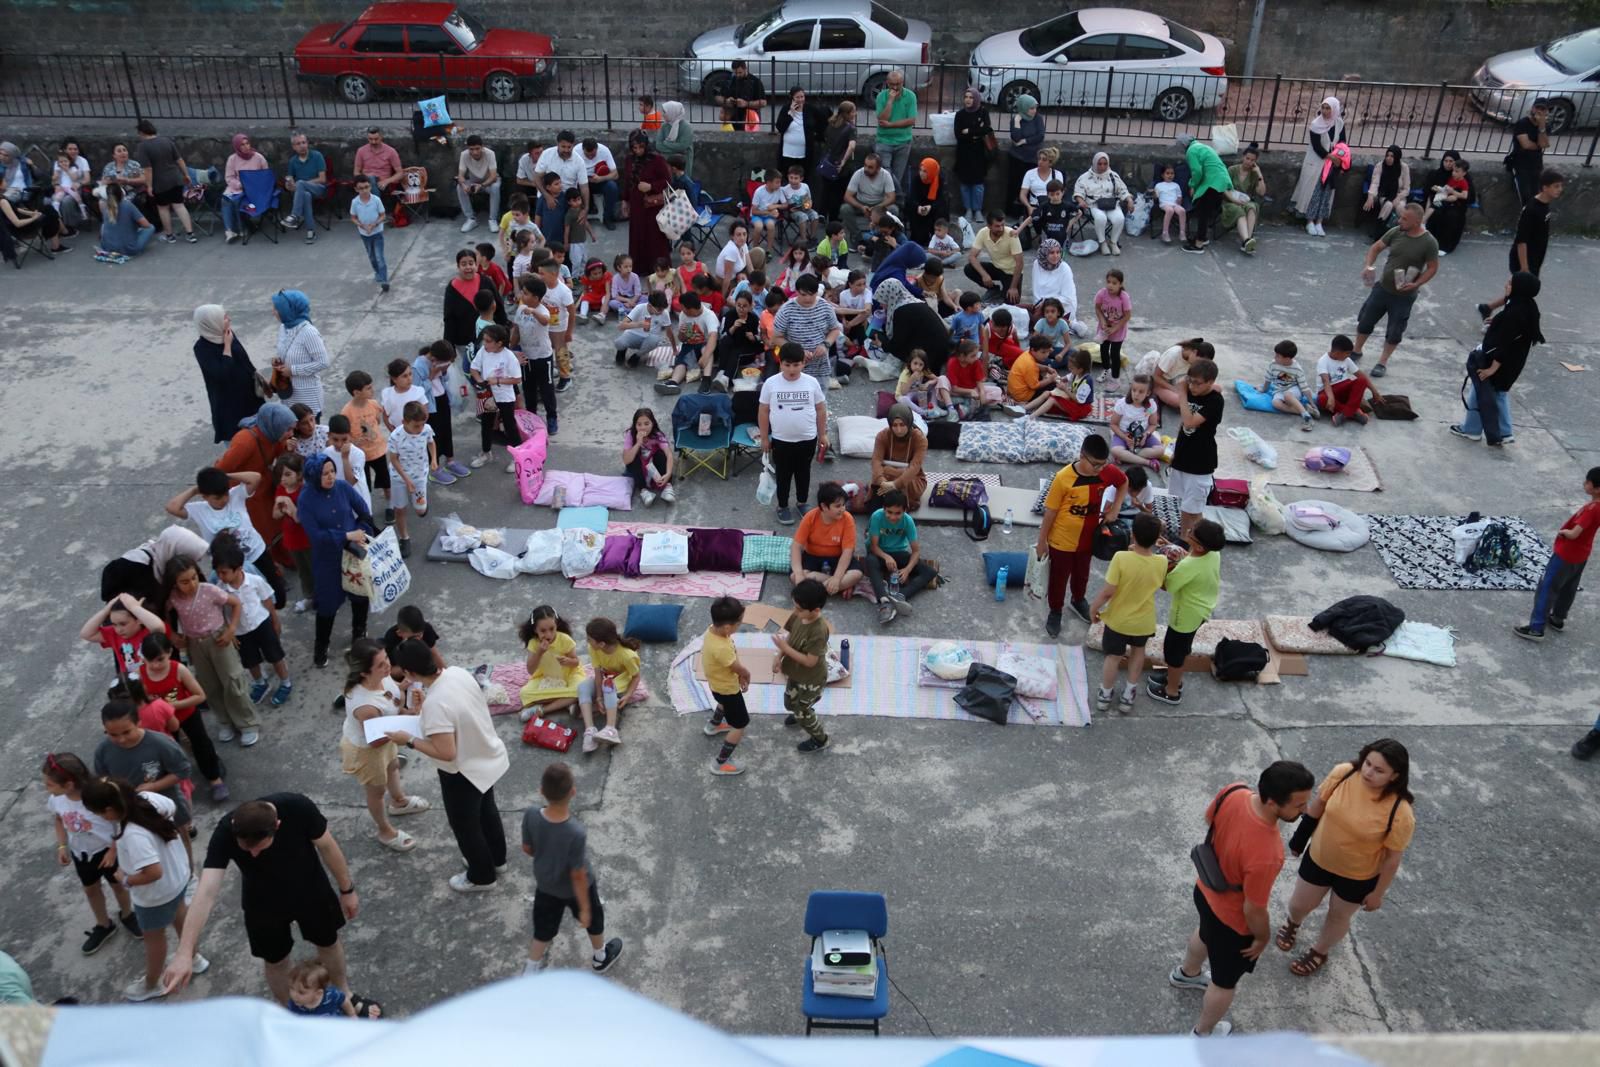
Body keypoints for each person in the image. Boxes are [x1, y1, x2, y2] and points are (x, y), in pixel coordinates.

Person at [161, 794, 366, 1011]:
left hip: (311, 890)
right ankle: (289, 1010)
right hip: (262, 902)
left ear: (277, 825)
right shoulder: (225, 832)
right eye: (246, 850)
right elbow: (206, 892)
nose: (254, 854)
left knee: (328, 942)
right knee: (275, 960)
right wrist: (184, 952)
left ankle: (344, 993)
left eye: (259, 847)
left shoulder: (298, 807)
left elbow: (327, 847)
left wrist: (347, 890)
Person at [1168, 762, 1315, 1037]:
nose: (1305, 810)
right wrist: (1261, 938)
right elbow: (1254, 908)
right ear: (1273, 802)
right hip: (1232, 919)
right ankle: (1203, 1034)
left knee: (1204, 932)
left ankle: (1186, 974)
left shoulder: (1234, 791)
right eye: (1298, 805)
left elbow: (1208, 818)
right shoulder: (1268, 853)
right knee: (1224, 983)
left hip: (1205, 891)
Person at [1276, 741, 1416, 978]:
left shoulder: (1400, 813)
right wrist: (1299, 840)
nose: (1368, 772)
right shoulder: (1343, 773)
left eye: (1379, 770)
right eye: (1368, 763)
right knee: (1299, 904)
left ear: (1395, 776)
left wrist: (1377, 894)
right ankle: (1293, 923)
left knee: (1338, 916)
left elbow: (1392, 859)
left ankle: (1320, 951)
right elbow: (1319, 804)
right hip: (1319, 858)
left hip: (1358, 876)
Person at [387, 639, 511, 891]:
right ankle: (497, 860)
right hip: (486, 755)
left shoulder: (436, 703)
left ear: (410, 673)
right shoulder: (456, 674)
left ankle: (481, 876)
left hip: (462, 772)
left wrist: (408, 740)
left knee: (465, 825)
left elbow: (445, 751)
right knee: (487, 812)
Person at [81, 777, 200, 1002]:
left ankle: (151, 984)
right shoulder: (147, 799)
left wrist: (126, 880)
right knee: (180, 914)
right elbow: (172, 807)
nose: (100, 818)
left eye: (99, 814)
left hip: (155, 895)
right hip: (179, 876)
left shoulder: (133, 835)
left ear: (109, 809)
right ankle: (193, 957)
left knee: (154, 939)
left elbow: (153, 872)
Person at [522, 762, 625, 973]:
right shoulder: (575, 832)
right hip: (576, 891)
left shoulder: (531, 814)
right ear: (573, 792)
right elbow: (577, 874)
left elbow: (527, 848)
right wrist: (585, 909)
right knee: (594, 920)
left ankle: (530, 969)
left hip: (546, 885)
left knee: (543, 928)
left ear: (541, 791)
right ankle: (600, 956)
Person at [160, 551, 263, 744]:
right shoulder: (173, 598)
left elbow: (235, 603)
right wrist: (173, 636)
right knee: (210, 684)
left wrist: (231, 629)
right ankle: (224, 721)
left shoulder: (209, 590)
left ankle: (247, 723)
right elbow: (165, 615)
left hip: (218, 638)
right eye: (184, 581)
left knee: (233, 681)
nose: (191, 584)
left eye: (193, 578)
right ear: (174, 583)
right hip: (194, 644)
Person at [44, 752, 142, 954]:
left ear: (69, 784)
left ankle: (127, 914)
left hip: (107, 851)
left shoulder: (96, 798)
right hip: (82, 854)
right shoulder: (57, 800)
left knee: (118, 885)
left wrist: (114, 850)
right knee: (90, 889)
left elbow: (119, 823)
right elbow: (58, 820)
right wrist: (62, 845)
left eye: (50, 784)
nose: (47, 788)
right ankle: (104, 924)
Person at [339, 639, 428, 853]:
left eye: (386, 657)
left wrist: (405, 688)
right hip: (368, 750)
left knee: (394, 766)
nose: (388, 665)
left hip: (387, 738)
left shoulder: (381, 677)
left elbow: (390, 694)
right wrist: (406, 731)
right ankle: (385, 831)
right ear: (364, 673)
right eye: (380, 664)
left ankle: (399, 801)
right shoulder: (365, 706)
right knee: (376, 791)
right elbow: (375, 738)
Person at [1035, 436, 1129, 637]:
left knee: (1082, 574)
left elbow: (1123, 482)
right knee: (1058, 579)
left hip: (1088, 539)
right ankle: (1055, 610)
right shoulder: (1062, 478)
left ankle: (1078, 600)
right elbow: (1050, 512)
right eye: (1095, 464)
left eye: (1103, 464)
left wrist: (1116, 508)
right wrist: (1042, 541)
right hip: (1062, 541)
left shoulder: (1105, 471)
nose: (1099, 469)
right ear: (1081, 456)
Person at [165, 464, 285, 606]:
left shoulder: (236, 495)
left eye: (225, 494)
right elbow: (172, 507)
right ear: (205, 496)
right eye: (217, 497)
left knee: (277, 595)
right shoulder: (198, 510)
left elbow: (255, 477)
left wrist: (224, 476)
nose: (224, 499)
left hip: (256, 554)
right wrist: (193, 490)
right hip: (230, 565)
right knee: (249, 601)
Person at [297, 453, 372, 669]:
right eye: (324, 473)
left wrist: (362, 533)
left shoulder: (342, 487)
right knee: (328, 603)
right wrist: (346, 536)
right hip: (327, 559)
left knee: (360, 594)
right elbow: (315, 535)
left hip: (353, 554)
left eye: (332, 471)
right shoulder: (306, 500)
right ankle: (321, 647)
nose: (330, 477)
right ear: (313, 476)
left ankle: (359, 635)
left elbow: (363, 510)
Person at [1455, 273, 1544, 449]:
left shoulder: (1514, 313)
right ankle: (1503, 432)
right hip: (1515, 362)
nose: (1506, 285)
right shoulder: (1526, 306)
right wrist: (1496, 321)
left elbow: (1504, 344)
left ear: (1518, 288)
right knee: (1498, 393)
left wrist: (1492, 368)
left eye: (1510, 283)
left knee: (1481, 390)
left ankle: (1472, 430)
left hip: (1500, 362)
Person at [1089, 512, 1165, 714]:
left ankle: (1105, 696)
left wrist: (1094, 608)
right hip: (1144, 621)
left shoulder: (1121, 558)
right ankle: (1128, 696)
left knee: (1113, 657)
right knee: (1138, 654)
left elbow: (1108, 592)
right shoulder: (1162, 562)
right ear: (1156, 539)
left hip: (1118, 621)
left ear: (1132, 535)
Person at [1515, 465, 1600, 641]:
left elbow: (1575, 533)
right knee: (1569, 587)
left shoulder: (1592, 509)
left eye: (1588, 482)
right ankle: (1558, 618)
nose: (1584, 484)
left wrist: (1564, 533)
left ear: (1597, 488)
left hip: (1566, 554)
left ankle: (1536, 627)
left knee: (1548, 586)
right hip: (1581, 555)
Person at [137, 633, 226, 799]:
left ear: (169, 652)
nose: (155, 665)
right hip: (162, 722)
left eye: (160, 659)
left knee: (201, 744)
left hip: (186, 714)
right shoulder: (140, 673)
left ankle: (215, 779)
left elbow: (200, 696)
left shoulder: (178, 669)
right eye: (150, 661)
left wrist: (171, 706)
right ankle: (178, 784)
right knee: (169, 751)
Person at [1146, 520, 1226, 705]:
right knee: (1182, 648)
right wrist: (1169, 547)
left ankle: (1172, 690)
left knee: (1173, 653)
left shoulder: (1188, 566)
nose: (1188, 531)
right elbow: (1191, 558)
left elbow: (1169, 585)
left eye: (1191, 532)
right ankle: (1174, 677)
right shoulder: (1214, 554)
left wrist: (1159, 564)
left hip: (1184, 615)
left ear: (1198, 546)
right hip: (1201, 609)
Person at [1355, 203, 1440, 377]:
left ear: (1417, 222)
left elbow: (1432, 268)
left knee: (1395, 330)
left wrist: (1417, 284)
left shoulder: (1429, 242)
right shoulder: (1396, 232)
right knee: (1365, 320)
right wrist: (1369, 265)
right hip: (1382, 288)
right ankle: (1356, 350)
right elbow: (1376, 247)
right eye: (1400, 217)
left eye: (1404, 218)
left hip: (1404, 296)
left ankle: (1382, 362)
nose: (1399, 220)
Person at [212, 538, 291, 707]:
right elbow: (222, 613)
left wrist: (275, 620)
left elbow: (267, 599)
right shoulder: (220, 590)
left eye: (224, 572)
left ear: (238, 569)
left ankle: (285, 682)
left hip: (262, 624)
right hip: (240, 632)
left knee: (275, 656)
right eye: (218, 572)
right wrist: (229, 631)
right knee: (250, 661)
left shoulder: (255, 581)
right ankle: (260, 682)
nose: (220, 576)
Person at [1481, 169, 1563, 325]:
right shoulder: (1532, 209)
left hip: (1534, 259)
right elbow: (1521, 241)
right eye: (1556, 186)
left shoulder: (1544, 205)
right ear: (1545, 188)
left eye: (1560, 186)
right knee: (1520, 297)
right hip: (1524, 261)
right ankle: (1493, 322)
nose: (1560, 189)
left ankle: (1488, 308)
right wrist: (1524, 268)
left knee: (1519, 295)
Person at [759, 342, 829, 525]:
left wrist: (823, 435)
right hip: (782, 440)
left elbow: (821, 409)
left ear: (803, 363)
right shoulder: (771, 383)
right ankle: (782, 506)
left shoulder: (811, 383)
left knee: (803, 472)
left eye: (796, 364)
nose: (792, 369)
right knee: (783, 474)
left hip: (807, 439)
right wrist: (765, 437)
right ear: (780, 363)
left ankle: (802, 502)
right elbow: (763, 411)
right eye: (787, 364)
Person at [774, 578, 832, 753]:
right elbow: (791, 636)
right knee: (789, 703)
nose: (795, 611)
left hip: (811, 679)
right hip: (795, 673)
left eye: (799, 609)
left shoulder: (819, 631)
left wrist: (784, 648)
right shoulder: (798, 615)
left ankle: (820, 739)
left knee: (803, 711)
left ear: (815, 610)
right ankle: (801, 710)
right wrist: (779, 656)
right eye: (794, 606)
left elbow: (810, 661)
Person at [862, 489, 937, 625]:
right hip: (879, 552)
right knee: (870, 560)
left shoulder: (908, 521)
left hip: (898, 552)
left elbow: (915, 551)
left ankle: (899, 596)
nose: (893, 516)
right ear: (884, 509)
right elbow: (873, 546)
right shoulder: (877, 516)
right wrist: (886, 557)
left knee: (930, 571)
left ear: (905, 511)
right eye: (889, 512)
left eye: (898, 513)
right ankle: (884, 601)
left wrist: (907, 569)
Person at [1168, 357, 1223, 540]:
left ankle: (1203, 541)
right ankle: (1184, 538)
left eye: (1197, 384)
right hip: (1183, 456)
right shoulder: (1190, 388)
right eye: (1190, 381)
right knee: (1185, 505)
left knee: (1195, 510)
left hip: (1200, 463)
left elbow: (1190, 422)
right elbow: (1183, 427)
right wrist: (1175, 449)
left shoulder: (1215, 401)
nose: (1192, 387)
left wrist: (1182, 394)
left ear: (1210, 382)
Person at [192, 303, 262, 444]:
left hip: (250, 399)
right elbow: (222, 374)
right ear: (212, 322)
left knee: (261, 439)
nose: (229, 319)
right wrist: (227, 346)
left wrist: (259, 380)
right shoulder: (202, 348)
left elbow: (244, 360)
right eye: (224, 317)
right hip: (229, 407)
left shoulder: (228, 333)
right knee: (240, 446)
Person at [790, 482, 863, 597]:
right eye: (837, 506)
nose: (842, 509)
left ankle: (815, 590)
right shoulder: (810, 517)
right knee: (795, 577)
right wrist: (799, 574)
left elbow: (848, 552)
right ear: (824, 506)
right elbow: (796, 546)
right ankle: (837, 587)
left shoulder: (847, 519)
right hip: (812, 557)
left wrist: (837, 577)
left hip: (837, 558)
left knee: (856, 574)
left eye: (844, 505)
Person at [131, 121, 196, 243]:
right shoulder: (166, 141)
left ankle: (169, 235)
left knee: (163, 208)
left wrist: (149, 186)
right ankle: (190, 233)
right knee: (179, 205)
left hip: (159, 182)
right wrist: (186, 174)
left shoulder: (143, 147)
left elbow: (148, 169)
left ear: (141, 132)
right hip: (175, 178)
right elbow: (179, 159)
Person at [270, 289, 331, 416]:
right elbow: (286, 351)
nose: (273, 312)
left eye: (277, 308)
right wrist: (278, 360)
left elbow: (323, 362)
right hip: (288, 395)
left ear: (288, 310)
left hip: (307, 398)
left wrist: (293, 370)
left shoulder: (309, 332)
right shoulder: (284, 327)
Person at [624, 130, 673, 273]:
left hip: (653, 205)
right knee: (638, 234)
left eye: (640, 147)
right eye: (634, 148)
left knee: (655, 237)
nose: (638, 151)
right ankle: (640, 268)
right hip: (636, 204)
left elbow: (667, 181)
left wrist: (651, 186)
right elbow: (627, 181)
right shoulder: (629, 160)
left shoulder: (656, 160)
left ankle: (659, 268)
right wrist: (625, 201)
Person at [877, 276, 951, 371]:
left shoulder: (901, 312)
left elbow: (897, 344)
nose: (881, 304)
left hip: (932, 356)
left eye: (882, 300)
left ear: (889, 296)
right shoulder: (911, 301)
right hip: (943, 349)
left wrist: (881, 344)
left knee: (896, 349)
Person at [1291, 97, 1344, 226]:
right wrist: (1331, 157)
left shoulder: (1339, 123)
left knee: (1326, 193)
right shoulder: (1316, 124)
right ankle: (1309, 220)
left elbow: (1342, 143)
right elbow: (1317, 146)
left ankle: (1319, 221)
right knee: (1314, 190)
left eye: (1328, 108)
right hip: (1316, 162)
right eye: (1323, 108)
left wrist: (1341, 159)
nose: (1325, 111)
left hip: (1332, 164)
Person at [1178, 134, 1232, 254]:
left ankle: (1198, 245)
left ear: (1183, 146)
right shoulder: (1202, 146)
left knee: (1203, 212)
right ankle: (1202, 237)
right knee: (1206, 211)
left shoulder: (1191, 151)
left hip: (1213, 182)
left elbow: (1197, 171)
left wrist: (1192, 185)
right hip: (1221, 180)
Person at [869, 403, 928, 511]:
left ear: (909, 422)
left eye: (902, 424)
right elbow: (876, 461)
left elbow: (915, 467)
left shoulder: (920, 439)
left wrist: (895, 484)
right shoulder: (882, 436)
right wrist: (882, 482)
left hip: (911, 479)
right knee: (878, 479)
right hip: (886, 478)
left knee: (895, 479)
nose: (899, 430)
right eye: (895, 425)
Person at [1317, 333, 1383, 428]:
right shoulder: (1323, 361)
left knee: (1362, 380)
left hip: (1344, 389)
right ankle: (1354, 412)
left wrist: (1375, 392)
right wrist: (1331, 398)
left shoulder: (1346, 360)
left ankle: (1345, 414)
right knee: (1322, 399)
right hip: (1329, 391)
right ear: (1337, 353)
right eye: (1347, 353)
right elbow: (1325, 382)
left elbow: (1360, 374)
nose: (1349, 355)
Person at [1073, 152, 1133, 255]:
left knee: (1120, 218)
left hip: (1111, 203)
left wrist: (1129, 200)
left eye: (1105, 164)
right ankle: (1102, 242)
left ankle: (1113, 242)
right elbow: (1078, 192)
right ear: (1094, 163)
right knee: (1101, 218)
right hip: (1093, 204)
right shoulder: (1085, 177)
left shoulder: (1113, 175)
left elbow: (1123, 190)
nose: (1102, 166)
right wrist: (1081, 200)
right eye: (1099, 164)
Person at [840, 153, 896, 251]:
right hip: (861, 203)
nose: (866, 169)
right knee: (845, 209)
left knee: (893, 209)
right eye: (865, 165)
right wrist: (861, 207)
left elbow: (892, 197)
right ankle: (857, 238)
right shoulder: (859, 173)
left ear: (878, 168)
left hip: (879, 204)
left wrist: (877, 208)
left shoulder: (885, 175)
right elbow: (847, 196)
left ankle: (884, 237)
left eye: (870, 167)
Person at [953, 88, 994, 219]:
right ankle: (968, 209)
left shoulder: (983, 112)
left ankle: (977, 210)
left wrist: (969, 131)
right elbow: (958, 134)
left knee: (978, 184)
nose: (968, 100)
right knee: (965, 184)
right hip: (964, 153)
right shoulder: (960, 115)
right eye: (966, 97)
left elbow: (986, 129)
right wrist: (976, 132)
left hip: (979, 154)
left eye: (971, 97)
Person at [220, 133, 268, 243]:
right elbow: (229, 177)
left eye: (247, 143)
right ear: (237, 147)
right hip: (237, 188)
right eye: (242, 145)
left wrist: (254, 185)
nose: (246, 147)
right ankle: (230, 230)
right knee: (225, 200)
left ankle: (242, 227)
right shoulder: (232, 159)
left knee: (239, 201)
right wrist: (239, 185)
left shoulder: (258, 157)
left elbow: (266, 176)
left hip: (255, 189)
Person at [965, 212, 1023, 303]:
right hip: (997, 268)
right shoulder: (983, 232)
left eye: (1002, 225)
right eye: (997, 226)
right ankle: (993, 289)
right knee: (969, 269)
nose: (1001, 228)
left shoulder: (1011, 234)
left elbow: (1020, 263)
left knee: (1012, 302)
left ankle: (1005, 290)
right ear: (989, 226)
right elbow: (972, 256)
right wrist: (985, 275)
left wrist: (1013, 287)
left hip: (1011, 272)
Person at [1423, 151, 1473, 255]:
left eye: (1451, 161)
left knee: (1451, 216)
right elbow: (1428, 191)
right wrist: (1437, 190)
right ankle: (1429, 243)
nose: (1448, 164)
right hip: (1441, 201)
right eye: (1446, 161)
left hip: (1457, 206)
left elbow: (1470, 197)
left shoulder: (1465, 178)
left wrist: (1455, 195)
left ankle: (1445, 246)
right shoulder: (1436, 174)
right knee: (1436, 212)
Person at [815, 101, 857, 222]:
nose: (855, 113)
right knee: (838, 193)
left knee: (826, 190)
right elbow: (851, 146)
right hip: (841, 166)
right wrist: (843, 161)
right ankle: (834, 218)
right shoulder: (850, 129)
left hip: (827, 163)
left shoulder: (831, 124)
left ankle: (822, 213)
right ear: (847, 114)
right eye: (853, 111)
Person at [1109, 373, 1164, 467]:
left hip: (1142, 436)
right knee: (1115, 451)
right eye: (1134, 390)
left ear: (1148, 393)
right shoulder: (1122, 404)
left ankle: (1127, 456)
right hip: (1124, 434)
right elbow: (1113, 424)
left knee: (1161, 451)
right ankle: (1147, 462)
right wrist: (1124, 437)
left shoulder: (1151, 405)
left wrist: (1146, 434)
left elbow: (1153, 424)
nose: (1136, 394)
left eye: (1141, 392)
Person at [280, 131, 326, 241]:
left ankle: (295, 215)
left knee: (301, 183)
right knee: (305, 195)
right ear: (293, 147)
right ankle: (310, 231)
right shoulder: (293, 161)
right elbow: (290, 182)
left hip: (318, 188)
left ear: (307, 143)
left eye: (304, 142)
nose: (302, 146)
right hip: (302, 193)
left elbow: (322, 179)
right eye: (298, 144)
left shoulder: (317, 156)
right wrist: (289, 185)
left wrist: (302, 184)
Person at [1264, 339, 1317, 430]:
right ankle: (1304, 411)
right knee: (1275, 403)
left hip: (1293, 391)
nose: (1275, 357)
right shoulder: (1273, 364)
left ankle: (1307, 418)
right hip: (1279, 390)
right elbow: (1268, 379)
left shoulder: (1297, 369)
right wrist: (1263, 389)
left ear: (1287, 358)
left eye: (1278, 356)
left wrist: (1312, 403)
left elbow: (1304, 387)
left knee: (1287, 395)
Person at [347, 177, 389, 293]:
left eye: (367, 187)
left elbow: (382, 215)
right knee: (371, 256)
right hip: (364, 234)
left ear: (370, 187)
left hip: (377, 232)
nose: (364, 190)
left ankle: (384, 280)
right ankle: (377, 272)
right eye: (361, 188)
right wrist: (361, 225)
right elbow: (353, 217)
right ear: (356, 189)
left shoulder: (376, 200)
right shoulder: (355, 202)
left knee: (380, 256)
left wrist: (374, 225)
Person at [1223, 143, 1266, 253]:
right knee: (1239, 210)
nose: (1249, 162)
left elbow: (1261, 192)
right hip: (1230, 201)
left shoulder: (1254, 174)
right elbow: (1224, 188)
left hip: (1245, 202)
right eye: (1247, 158)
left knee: (1252, 206)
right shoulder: (1232, 170)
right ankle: (1246, 240)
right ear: (1243, 157)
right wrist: (1235, 201)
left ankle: (1247, 240)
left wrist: (1260, 175)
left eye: (1252, 160)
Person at [1093, 267, 1131, 390]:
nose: (1110, 285)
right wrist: (1103, 322)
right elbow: (1098, 308)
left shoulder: (1123, 297)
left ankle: (1115, 378)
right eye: (1108, 282)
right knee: (1103, 350)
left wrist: (1115, 328)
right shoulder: (1101, 294)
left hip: (1118, 331)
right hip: (1104, 329)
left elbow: (1127, 315)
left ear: (1120, 284)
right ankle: (1106, 369)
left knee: (1115, 354)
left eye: (1114, 283)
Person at [1007, 95, 1045, 218]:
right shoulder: (1016, 119)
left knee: (1030, 185)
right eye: (1031, 108)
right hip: (1017, 158)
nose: (1034, 111)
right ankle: (1013, 211)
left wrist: (1025, 141)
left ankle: (1028, 210)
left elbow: (1040, 136)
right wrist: (1017, 122)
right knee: (1016, 184)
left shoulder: (1038, 119)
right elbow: (1016, 137)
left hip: (1032, 158)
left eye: (1035, 108)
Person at [1507, 98, 1550, 204]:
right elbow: (1526, 145)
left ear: (1547, 112)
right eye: (1537, 108)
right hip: (1520, 164)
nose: (1539, 111)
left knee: (1537, 195)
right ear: (1532, 108)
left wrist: (1541, 126)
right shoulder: (1523, 123)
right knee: (1525, 196)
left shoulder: (1544, 126)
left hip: (1536, 164)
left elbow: (1544, 144)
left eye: (1542, 109)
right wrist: (1539, 145)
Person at [776, 85, 827, 176]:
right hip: (788, 152)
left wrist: (818, 135)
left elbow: (822, 121)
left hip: (804, 152)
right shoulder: (786, 109)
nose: (800, 99)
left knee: (804, 176)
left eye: (802, 97)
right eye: (797, 97)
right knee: (788, 176)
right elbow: (780, 127)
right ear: (792, 98)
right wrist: (791, 114)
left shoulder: (810, 109)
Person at [1362, 145, 1410, 240]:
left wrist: (1399, 197)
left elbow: (1406, 189)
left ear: (1397, 157)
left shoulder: (1404, 168)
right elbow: (1375, 182)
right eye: (1387, 155)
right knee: (1388, 205)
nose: (1389, 158)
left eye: (1392, 156)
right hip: (1384, 194)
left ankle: (1402, 234)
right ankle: (1378, 233)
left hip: (1398, 195)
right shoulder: (1380, 166)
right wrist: (1371, 196)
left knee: (1400, 207)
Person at [455, 135, 500, 233]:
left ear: (482, 147)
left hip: (489, 183)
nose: (475, 152)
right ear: (468, 148)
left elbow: (493, 176)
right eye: (471, 149)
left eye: (477, 149)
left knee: (495, 188)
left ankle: (493, 219)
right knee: (459, 187)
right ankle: (470, 219)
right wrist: (463, 185)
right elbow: (460, 176)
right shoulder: (464, 155)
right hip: (474, 182)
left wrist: (482, 185)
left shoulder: (490, 154)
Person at [96, 183, 155, 259]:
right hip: (129, 249)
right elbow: (146, 225)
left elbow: (104, 227)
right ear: (121, 193)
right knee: (151, 228)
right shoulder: (128, 205)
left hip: (107, 247)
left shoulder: (105, 206)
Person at [1152, 338, 1210, 411]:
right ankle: (1189, 407)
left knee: (1214, 387)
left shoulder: (1191, 359)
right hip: (1156, 382)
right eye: (1198, 361)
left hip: (1171, 379)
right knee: (1178, 400)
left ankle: (1192, 404)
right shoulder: (1173, 355)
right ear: (1195, 352)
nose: (1197, 364)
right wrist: (1173, 389)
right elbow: (1155, 376)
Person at [716, 59, 768, 130]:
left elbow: (763, 103)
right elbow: (718, 97)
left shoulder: (755, 81)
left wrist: (746, 104)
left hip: (749, 120)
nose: (737, 75)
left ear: (746, 69)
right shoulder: (729, 80)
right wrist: (726, 101)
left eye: (740, 72)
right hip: (731, 119)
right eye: (735, 73)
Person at [906, 157, 944, 248]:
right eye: (920, 170)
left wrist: (930, 207)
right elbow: (912, 197)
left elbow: (941, 199)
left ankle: (937, 236)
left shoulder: (939, 180)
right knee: (911, 208)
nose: (921, 173)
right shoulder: (916, 179)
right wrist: (918, 207)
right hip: (919, 208)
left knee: (941, 210)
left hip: (932, 208)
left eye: (925, 171)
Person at [353, 127, 404, 195]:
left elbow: (400, 173)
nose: (373, 142)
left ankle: (375, 203)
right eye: (370, 139)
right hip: (366, 182)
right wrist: (362, 182)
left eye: (376, 139)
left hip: (382, 183)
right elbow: (356, 172)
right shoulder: (361, 151)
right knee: (370, 179)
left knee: (371, 180)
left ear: (381, 137)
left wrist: (387, 181)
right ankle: (377, 203)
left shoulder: (391, 151)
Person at [653, 101, 694, 178]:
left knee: (681, 184)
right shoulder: (664, 126)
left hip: (682, 162)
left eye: (665, 112)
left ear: (672, 112)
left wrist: (666, 143)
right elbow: (658, 145)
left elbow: (683, 146)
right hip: (667, 161)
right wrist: (678, 150)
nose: (662, 114)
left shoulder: (686, 127)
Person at [1153, 163, 1185, 244]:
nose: (1170, 175)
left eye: (1172, 173)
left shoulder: (1176, 185)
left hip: (1174, 204)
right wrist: (1154, 194)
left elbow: (1179, 196)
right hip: (1164, 204)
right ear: (1163, 175)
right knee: (1170, 210)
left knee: (1182, 211)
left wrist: (1179, 202)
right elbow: (1156, 197)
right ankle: (1165, 233)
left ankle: (1182, 232)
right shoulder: (1159, 185)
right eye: (1167, 173)